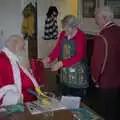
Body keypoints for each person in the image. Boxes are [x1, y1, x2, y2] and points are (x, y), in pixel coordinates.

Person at [42, 15, 88, 100]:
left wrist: (61, 63)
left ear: (74, 27)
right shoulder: (63, 34)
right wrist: (48, 58)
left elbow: (79, 56)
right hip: (65, 72)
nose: (64, 30)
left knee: (76, 99)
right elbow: (57, 49)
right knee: (65, 96)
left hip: (77, 73)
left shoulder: (81, 36)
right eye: (64, 27)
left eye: (67, 28)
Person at [91, 6, 120, 120]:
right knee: (115, 109)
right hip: (118, 79)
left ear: (104, 18)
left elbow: (97, 63)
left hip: (106, 81)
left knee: (105, 112)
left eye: (97, 17)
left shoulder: (102, 37)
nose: (95, 20)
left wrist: (95, 79)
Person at [0, 35, 41, 106]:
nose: (24, 50)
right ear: (14, 45)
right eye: (22, 47)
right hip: (21, 104)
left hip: (32, 99)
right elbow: (4, 90)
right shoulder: (2, 60)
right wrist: (19, 99)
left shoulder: (13, 57)